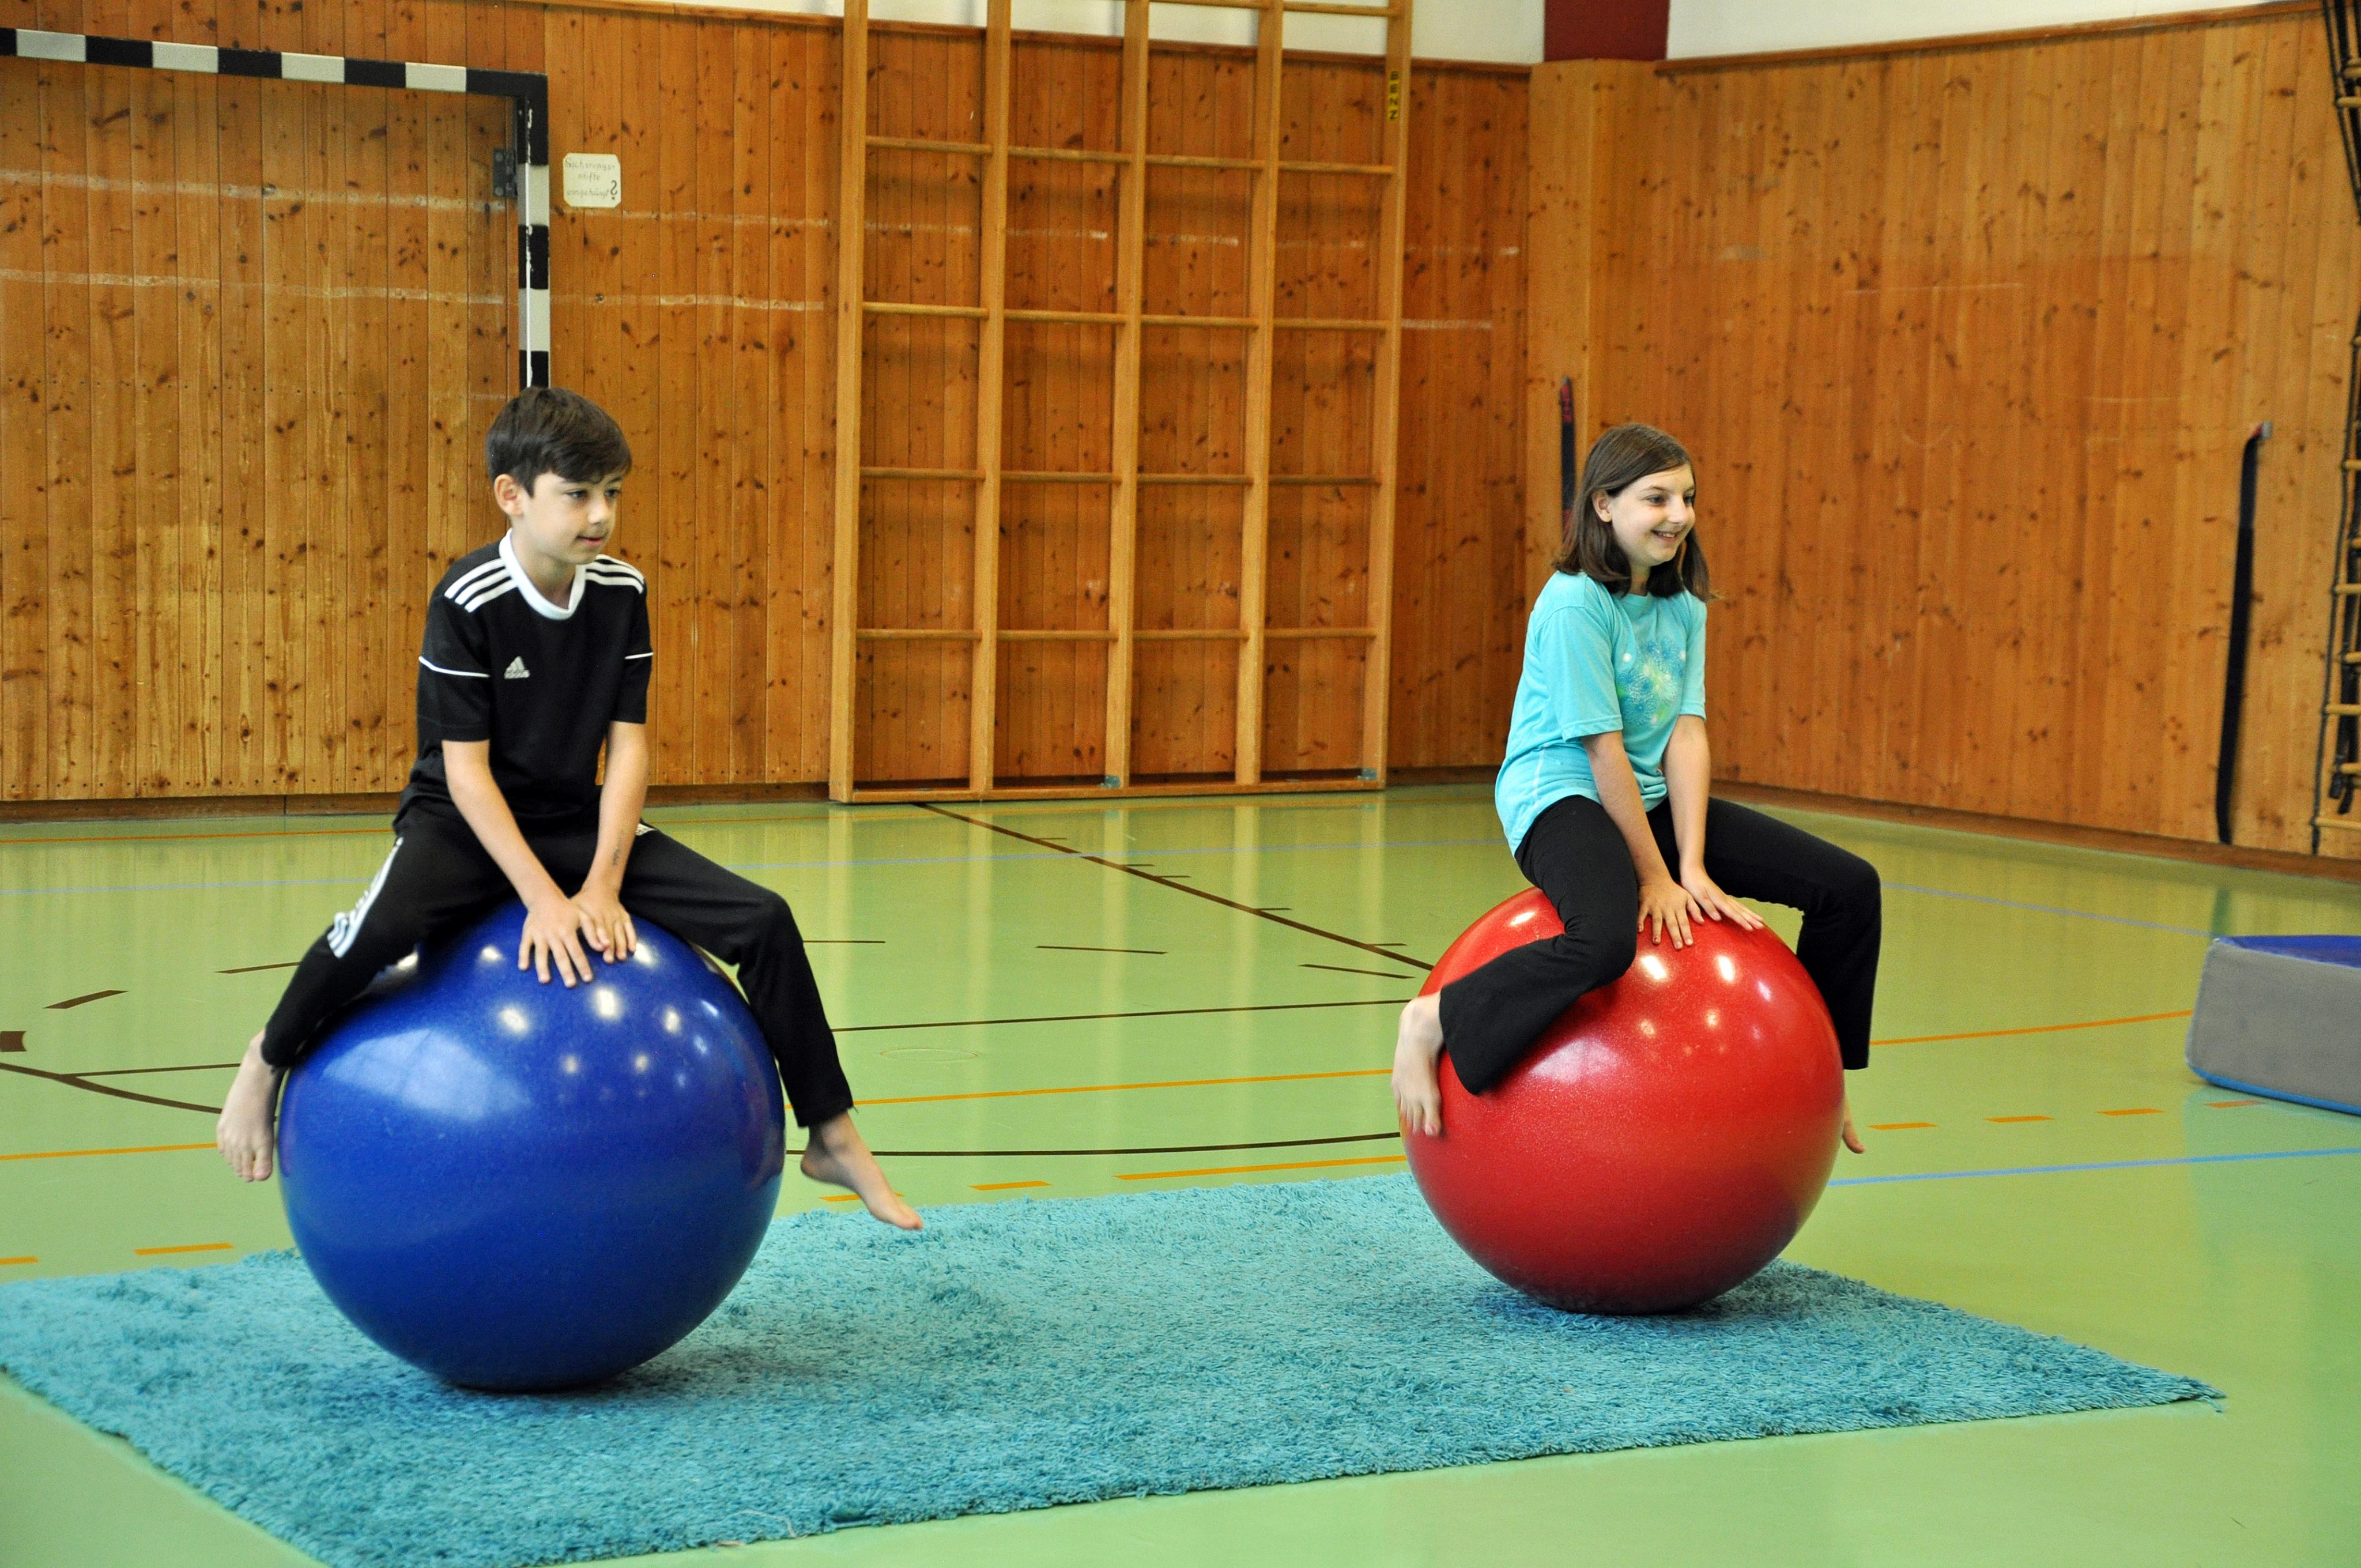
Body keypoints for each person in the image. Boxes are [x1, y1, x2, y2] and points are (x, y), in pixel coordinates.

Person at [215, 387, 919, 1230]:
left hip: (571, 817)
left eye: (612, 492)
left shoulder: (622, 591)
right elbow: (466, 774)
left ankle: (832, 1132)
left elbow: (629, 750)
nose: (601, 515)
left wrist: (602, 885)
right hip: (461, 822)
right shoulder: (468, 599)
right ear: (511, 495)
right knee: (370, 932)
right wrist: (545, 901)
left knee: (763, 920)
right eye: (578, 494)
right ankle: (263, 1061)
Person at [1391, 422, 1880, 1148]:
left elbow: (1686, 732)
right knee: (1603, 942)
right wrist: (1654, 876)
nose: (1679, 515)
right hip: (1559, 794)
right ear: (1603, 505)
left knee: (1849, 888)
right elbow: (1602, 748)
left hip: (1642, 794)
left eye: (1687, 497)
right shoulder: (1574, 603)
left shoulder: (1684, 606)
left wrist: (1693, 864)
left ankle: (1825, 1076)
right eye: (1656, 498)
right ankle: (1434, 1016)